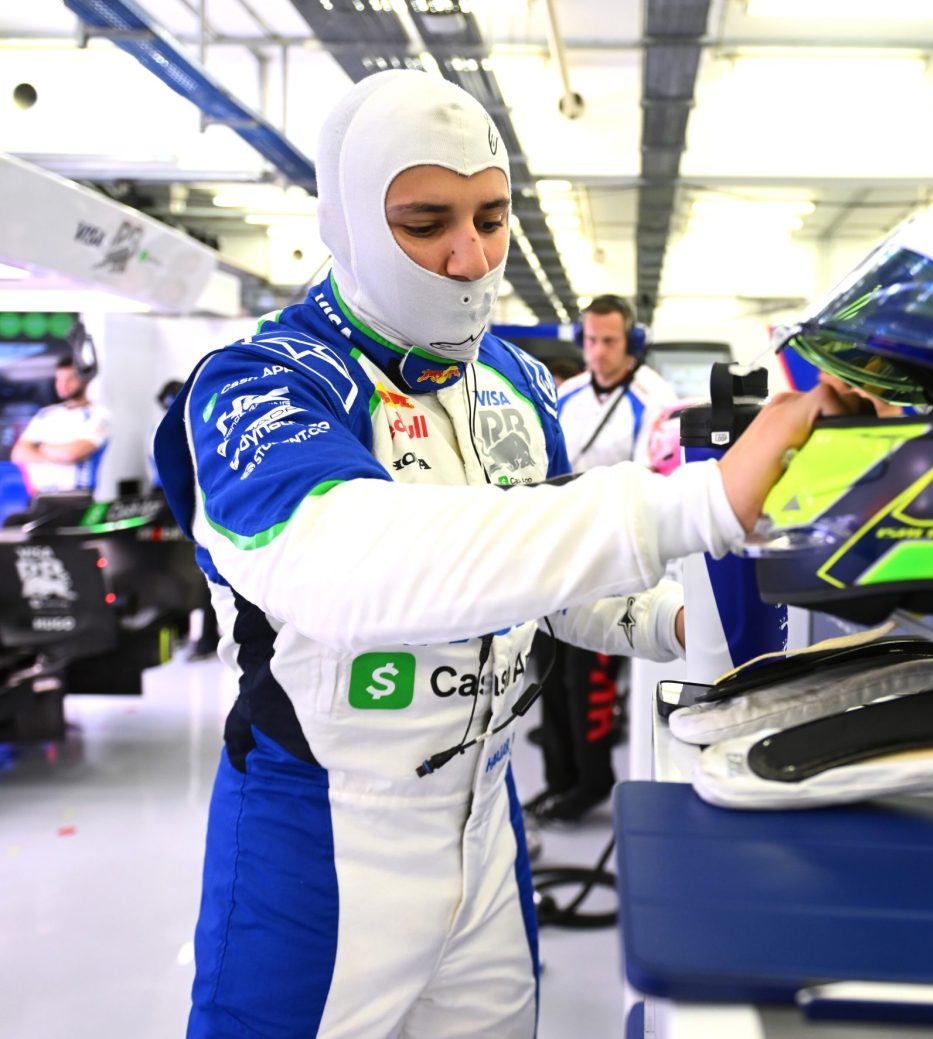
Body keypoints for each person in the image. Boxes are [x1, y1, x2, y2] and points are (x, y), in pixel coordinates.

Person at [151, 69, 842, 1038]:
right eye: (426, 222)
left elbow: (546, 582)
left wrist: (677, 620)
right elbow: (352, 569)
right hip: (322, 832)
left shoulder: (516, 380)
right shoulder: (258, 384)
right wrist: (700, 504)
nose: (471, 257)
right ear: (346, 222)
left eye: (491, 216)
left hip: (486, 816)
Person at [528, 294, 679, 824]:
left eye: (610, 341)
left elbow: (648, 483)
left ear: (632, 341)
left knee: (587, 681)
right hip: (557, 553)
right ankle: (559, 781)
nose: (598, 351)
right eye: (590, 340)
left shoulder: (653, 399)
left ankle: (592, 782)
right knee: (548, 673)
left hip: (610, 559)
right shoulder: (566, 396)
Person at [11, 356, 109, 496]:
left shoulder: (100, 414)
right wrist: (57, 455)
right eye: (59, 379)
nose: (63, 384)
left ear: (84, 381)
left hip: (80, 495)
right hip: (41, 495)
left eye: (69, 379)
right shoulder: (46, 413)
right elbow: (19, 453)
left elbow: (71, 453)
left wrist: (39, 447)